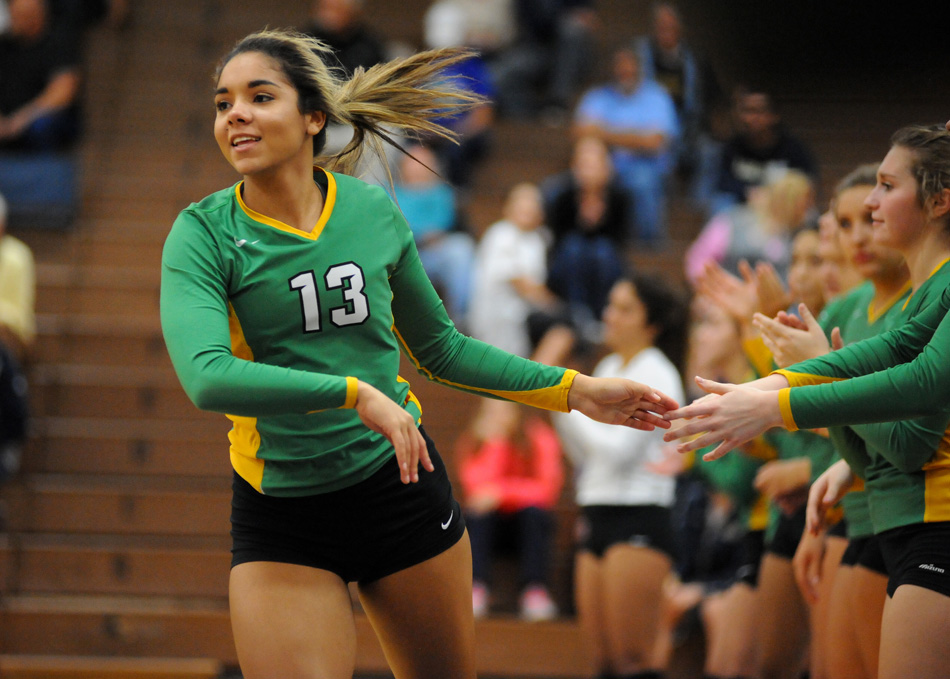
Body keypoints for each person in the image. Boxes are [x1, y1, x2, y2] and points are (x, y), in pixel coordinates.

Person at [159, 29, 680, 679]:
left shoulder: (371, 211)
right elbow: (207, 377)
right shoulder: (203, 233)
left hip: (398, 488)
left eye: (259, 96)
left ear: (314, 117)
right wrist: (353, 392)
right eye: (222, 102)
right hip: (282, 510)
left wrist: (575, 390)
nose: (234, 113)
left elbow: (442, 349)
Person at [664, 124, 950, 679]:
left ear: (939, 201)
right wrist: (763, 390)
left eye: (887, 186)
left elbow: (922, 391)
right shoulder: (926, 295)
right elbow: (877, 368)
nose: (871, 204)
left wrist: (776, 404)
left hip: (925, 519)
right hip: (898, 522)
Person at [552, 272, 688, 679]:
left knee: (635, 661)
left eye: (624, 308)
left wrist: (561, 392)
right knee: (603, 664)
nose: (609, 315)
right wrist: (558, 398)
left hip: (638, 515)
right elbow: (585, 455)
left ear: (652, 324)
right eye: (610, 305)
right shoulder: (610, 366)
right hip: (595, 512)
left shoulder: (657, 371)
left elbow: (615, 451)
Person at [457, 399, 564, 621]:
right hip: (491, 527)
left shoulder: (539, 436)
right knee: (478, 516)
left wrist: (502, 493)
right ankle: (477, 588)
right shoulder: (477, 439)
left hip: (526, 524)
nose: (498, 416)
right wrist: (495, 445)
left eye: (504, 409)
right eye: (491, 410)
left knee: (534, 514)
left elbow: (547, 490)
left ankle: (534, 591)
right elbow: (476, 491)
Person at [573, 45, 679, 247]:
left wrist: (604, 132)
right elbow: (580, 132)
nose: (625, 72)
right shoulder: (598, 96)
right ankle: (590, 243)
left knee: (642, 182)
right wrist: (635, 136)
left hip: (646, 167)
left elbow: (655, 142)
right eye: (620, 67)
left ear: (640, 69)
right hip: (603, 166)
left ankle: (649, 247)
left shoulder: (657, 97)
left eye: (630, 67)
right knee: (568, 183)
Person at [467, 181, 555, 357]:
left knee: (566, 332)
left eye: (533, 204)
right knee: (562, 324)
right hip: (498, 318)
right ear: (508, 208)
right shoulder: (500, 234)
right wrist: (555, 306)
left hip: (524, 315)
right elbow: (521, 283)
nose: (528, 209)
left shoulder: (537, 240)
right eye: (522, 203)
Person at [392, 143, 474, 325]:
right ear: (403, 166)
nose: (418, 167)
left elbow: (441, 224)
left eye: (424, 162)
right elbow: (393, 230)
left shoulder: (441, 193)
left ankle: (461, 318)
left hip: (431, 255)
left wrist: (414, 232)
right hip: (399, 257)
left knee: (461, 248)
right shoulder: (388, 193)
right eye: (413, 162)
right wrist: (418, 234)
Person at [710, 88, 817, 216]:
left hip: (780, 210)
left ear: (774, 116)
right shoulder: (732, 148)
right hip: (742, 208)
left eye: (759, 111)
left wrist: (772, 197)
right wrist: (749, 193)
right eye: (748, 111)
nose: (752, 118)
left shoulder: (793, 149)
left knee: (809, 213)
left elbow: (807, 184)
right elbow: (723, 182)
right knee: (720, 203)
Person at [0, 0, 82, 152]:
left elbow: (63, 91)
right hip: (8, 119)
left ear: (36, 15)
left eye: (20, 16)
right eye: (13, 15)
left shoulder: (58, 42)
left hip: (42, 117)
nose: (14, 20)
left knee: (42, 126)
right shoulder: (5, 45)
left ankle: (46, 172)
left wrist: (22, 119)